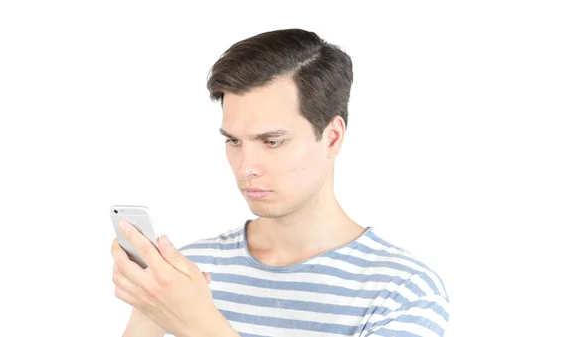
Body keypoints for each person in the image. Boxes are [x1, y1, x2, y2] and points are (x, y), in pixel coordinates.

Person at [110, 28, 450, 337]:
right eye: (234, 141)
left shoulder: (402, 291)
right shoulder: (188, 274)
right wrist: (149, 309)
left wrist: (199, 325)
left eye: (272, 141)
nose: (246, 167)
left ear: (332, 137)